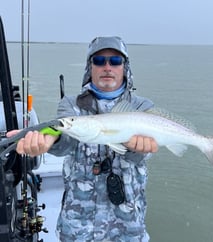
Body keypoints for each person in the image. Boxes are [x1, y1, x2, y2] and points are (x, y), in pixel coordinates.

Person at [8, 36, 158, 242]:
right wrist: (48, 140)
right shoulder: (71, 105)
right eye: (99, 61)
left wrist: (138, 149)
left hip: (128, 224)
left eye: (115, 61)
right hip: (79, 225)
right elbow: (62, 135)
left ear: (125, 67)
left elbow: (139, 157)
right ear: (90, 67)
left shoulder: (142, 107)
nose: (107, 67)